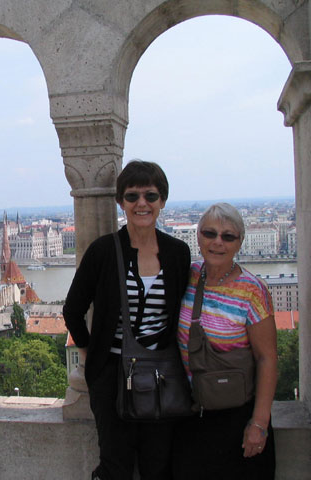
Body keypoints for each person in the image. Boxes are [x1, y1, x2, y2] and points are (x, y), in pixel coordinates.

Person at [63, 160, 191, 480]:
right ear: (121, 202)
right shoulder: (104, 251)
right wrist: (90, 354)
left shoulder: (177, 253)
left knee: (158, 464)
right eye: (132, 196)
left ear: (162, 201)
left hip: (162, 374)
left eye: (150, 195)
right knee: (115, 465)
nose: (142, 204)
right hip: (112, 376)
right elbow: (73, 309)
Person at [174, 202, 277, 479]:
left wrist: (259, 423)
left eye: (228, 236)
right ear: (198, 237)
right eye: (210, 234)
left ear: (239, 242)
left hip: (238, 418)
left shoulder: (253, 290)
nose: (217, 242)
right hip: (192, 415)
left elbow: (267, 358)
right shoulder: (188, 276)